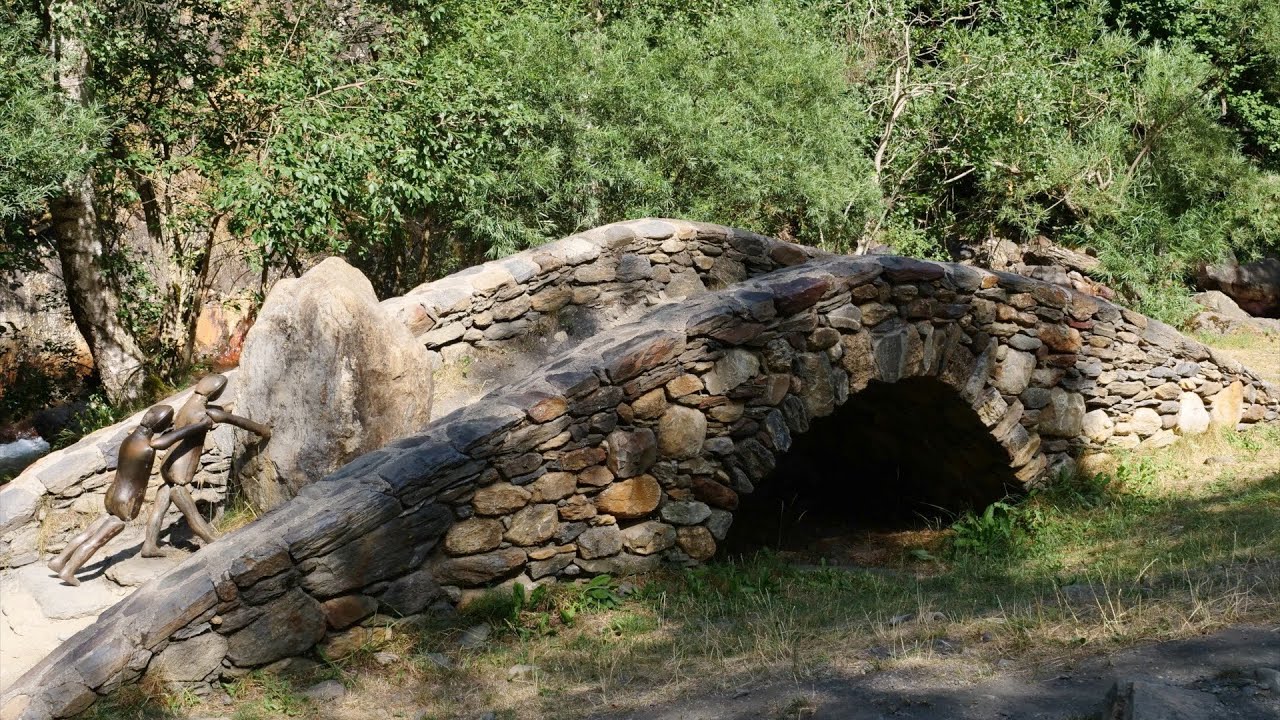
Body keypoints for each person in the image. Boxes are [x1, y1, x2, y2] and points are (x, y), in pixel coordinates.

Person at [48, 405, 211, 586]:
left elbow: (161, 437)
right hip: (126, 501)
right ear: (159, 426)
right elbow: (162, 442)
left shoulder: (131, 438)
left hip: (112, 495)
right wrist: (199, 426)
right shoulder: (149, 446)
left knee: (89, 532)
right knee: (97, 539)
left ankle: (59, 561)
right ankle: (69, 571)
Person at [142, 373, 271, 557]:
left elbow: (218, 411)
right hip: (179, 474)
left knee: (159, 507)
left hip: (167, 467)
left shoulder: (188, 406)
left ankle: (149, 545)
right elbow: (237, 422)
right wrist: (263, 430)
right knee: (192, 513)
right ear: (216, 392)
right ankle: (214, 541)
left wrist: (227, 408)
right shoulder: (202, 415)